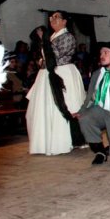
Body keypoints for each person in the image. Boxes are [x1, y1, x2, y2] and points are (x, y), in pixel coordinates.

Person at [25, 12, 87, 156]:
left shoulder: (68, 37)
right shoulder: (52, 36)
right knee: (41, 109)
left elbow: (56, 56)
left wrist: (44, 40)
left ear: (64, 21)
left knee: (64, 106)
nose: (52, 19)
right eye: (51, 17)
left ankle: (65, 141)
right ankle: (44, 142)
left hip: (62, 73)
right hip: (45, 74)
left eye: (56, 17)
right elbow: (44, 59)